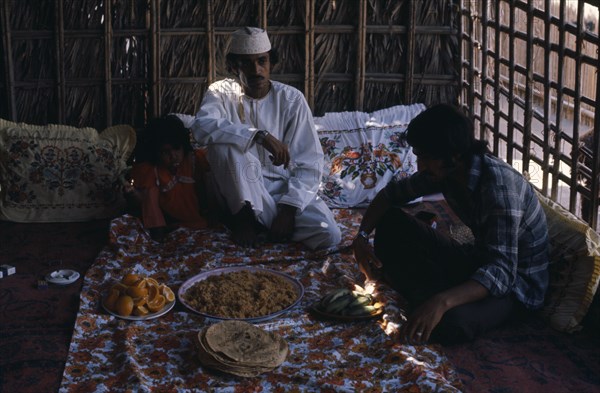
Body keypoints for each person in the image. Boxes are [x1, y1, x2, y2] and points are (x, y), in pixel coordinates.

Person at [352, 104, 549, 344]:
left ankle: (432, 298)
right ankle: (431, 295)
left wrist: (441, 302)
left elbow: (502, 271)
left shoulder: (498, 188)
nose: (420, 166)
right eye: (418, 157)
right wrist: (361, 237)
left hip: (515, 286)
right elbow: (389, 196)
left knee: (449, 324)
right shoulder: (446, 171)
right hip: (478, 260)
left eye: (425, 158)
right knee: (392, 221)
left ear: (453, 155)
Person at [190, 26, 341, 250]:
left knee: (329, 235)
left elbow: (309, 162)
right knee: (225, 145)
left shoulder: (291, 99)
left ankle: (267, 226)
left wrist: (289, 209)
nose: (256, 70)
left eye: (262, 61)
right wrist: (258, 136)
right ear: (233, 66)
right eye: (246, 63)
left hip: (282, 189)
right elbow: (201, 128)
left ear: (271, 63)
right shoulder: (220, 92)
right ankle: (244, 219)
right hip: (237, 191)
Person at [125, 115, 213, 242]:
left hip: (198, 219)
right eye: (165, 152)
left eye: (177, 149)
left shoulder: (194, 160)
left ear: (184, 145)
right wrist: (132, 194)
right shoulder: (151, 170)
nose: (173, 156)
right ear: (155, 152)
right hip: (167, 222)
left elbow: (204, 189)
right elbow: (149, 203)